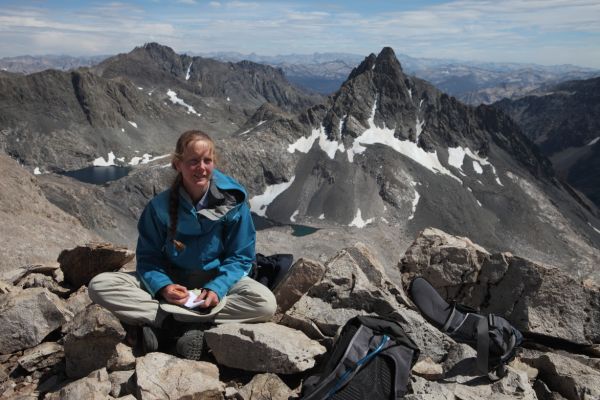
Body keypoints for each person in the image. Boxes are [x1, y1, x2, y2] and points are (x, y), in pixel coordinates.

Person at [89, 130, 277, 360]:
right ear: (177, 164)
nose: (201, 167)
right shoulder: (159, 207)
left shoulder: (234, 203)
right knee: (100, 285)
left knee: (265, 303)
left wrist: (217, 288)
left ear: (214, 162)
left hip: (218, 280)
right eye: (193, 161)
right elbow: (148, 258)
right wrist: (164, 287)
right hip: (174, 282)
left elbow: (241, 257)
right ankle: (191, 327)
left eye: (207, 161)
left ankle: (166, 325)